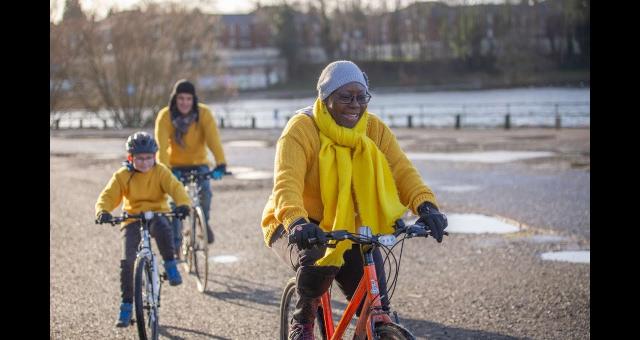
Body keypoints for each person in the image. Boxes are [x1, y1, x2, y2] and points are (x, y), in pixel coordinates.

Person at [260, 60, 448, 339]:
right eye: (346, 97)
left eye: (361, 97)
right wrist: (297, 222)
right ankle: (302, 322)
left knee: (376, 307)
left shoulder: (373, 129)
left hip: (350, 226)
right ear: (326, 98)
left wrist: (426, 205)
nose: (355, 105)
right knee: (315, 262)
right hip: (296, 223)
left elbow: (401, 170)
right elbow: (286, 182)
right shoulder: (301, 128)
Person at [95, 131, 191, 327]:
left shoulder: (161, 171)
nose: (145, 163)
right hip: (132, 218)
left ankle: (170, 264)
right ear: (130, 158)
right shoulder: (123, 175)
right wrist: (102, 211)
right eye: (140, 159)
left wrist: (183, 204)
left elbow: (176, 187)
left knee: (163, 228)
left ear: (154, 156)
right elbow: (108, 195)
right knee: (128, 260)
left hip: (157, 213)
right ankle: (126, 304)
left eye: (149, 158)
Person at [155, 79, 227, 253]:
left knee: (206, 194)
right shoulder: (165, 116)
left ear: (193, 100)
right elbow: (162, 147)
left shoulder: (204, 114)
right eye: (181, 99)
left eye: (188, 99)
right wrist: (164, 171)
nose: (185, 103)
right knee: (175, 204)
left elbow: (213, 140)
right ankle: (175, 241)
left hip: (199, 163)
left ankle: (204, 222)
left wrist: (221, 163)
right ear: (175, 99)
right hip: (174, 166)